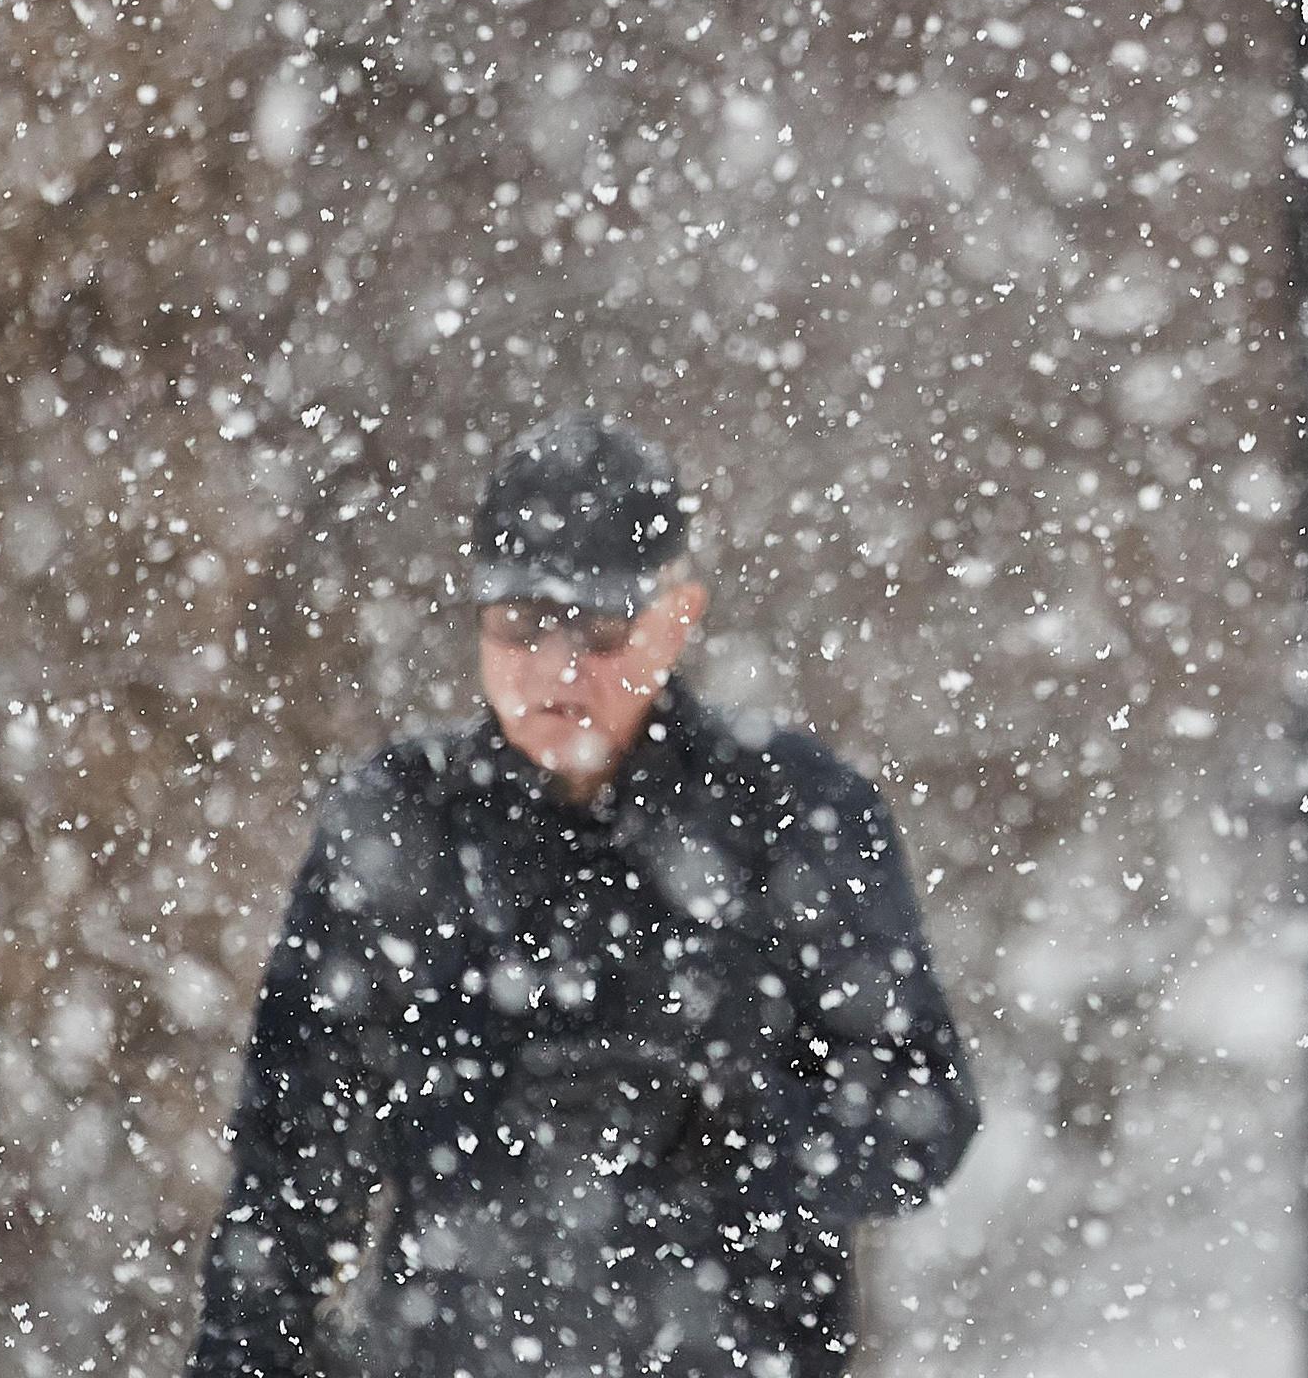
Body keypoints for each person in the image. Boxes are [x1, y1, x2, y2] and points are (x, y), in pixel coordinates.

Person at [188, 412, 980, 1378]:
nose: (559, 672)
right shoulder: (399, 820)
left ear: (676, 617)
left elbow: (924, 1111)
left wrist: (733, 1129)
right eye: (521, 625)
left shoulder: (793, 817)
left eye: (603, 632)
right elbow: (286, 1176)